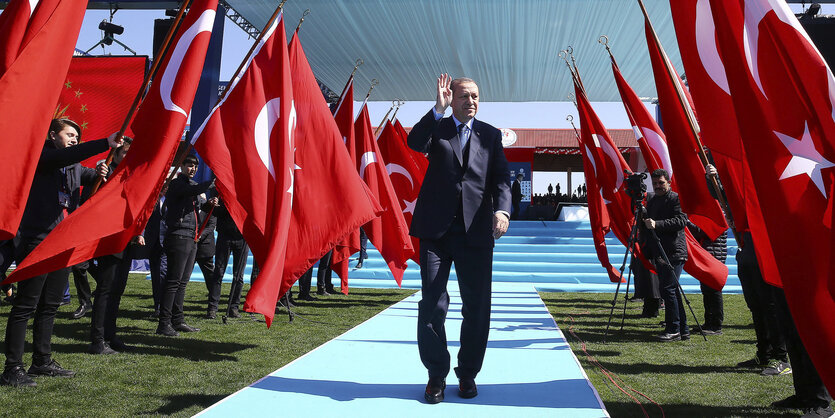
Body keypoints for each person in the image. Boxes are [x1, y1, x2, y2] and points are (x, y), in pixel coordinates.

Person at [407, 74, 511, 404]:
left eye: (476, 96)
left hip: (476, 232)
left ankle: (467, 374)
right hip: (436, 232)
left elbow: (502, 180)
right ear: (451, 98)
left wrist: (503, 211)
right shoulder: (437, 128)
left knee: (477, 307)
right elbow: (413, 142)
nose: (471, 101)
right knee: (433, 304)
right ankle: (436, 374)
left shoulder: (491, 135)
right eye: (464, 96)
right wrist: (436, 111)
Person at [1, 119, 121, 387]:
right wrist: (104, 143)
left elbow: (97, 178)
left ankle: (41, 360)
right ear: (53, 135)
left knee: (50, 305)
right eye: (70, 134)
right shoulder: (42, 156)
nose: (75, 139)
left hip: (62, 241)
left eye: (78, 135)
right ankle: (13, 368)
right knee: (25, 305)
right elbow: (67, 155)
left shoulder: (73, 167)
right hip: (36, 240)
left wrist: (106, 170)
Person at [157, 154, 214, 337]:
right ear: (181, 166)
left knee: (182, 282)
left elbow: (195, 211)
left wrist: (208, 205)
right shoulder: (177, 184)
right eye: (189, 165)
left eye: (195, 166)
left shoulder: (191, 187)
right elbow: (188, 193)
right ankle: (164, 323)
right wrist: (211, 182)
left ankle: (178, 320)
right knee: (173, 282)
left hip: (191, 236)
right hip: (179, 235)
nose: (193, 168)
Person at [640, 169, 688, 342]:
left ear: (669, 182)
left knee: (667, 289)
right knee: (671, 289)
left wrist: (656, 224)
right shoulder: (653, 200)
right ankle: (682, 329)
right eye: (655, 184)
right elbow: (647, 222)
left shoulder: (676, 198)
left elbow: (681, 221)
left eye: (661, 183)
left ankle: (673, 328)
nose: (658, 186)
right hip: (660, 251)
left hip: (674, 251)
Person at [206, 198, 249, 319]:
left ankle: (234, 307)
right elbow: (215, 212)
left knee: (239, 276)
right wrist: (229, 205)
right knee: (218, 272)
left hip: (242, 237)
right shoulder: (224, 193)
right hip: (225, 236)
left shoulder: (247, 195)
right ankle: (212, 308)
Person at [686, 220, 726, 335]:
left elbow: (702, 231)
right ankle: (709, 322)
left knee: (713, 291)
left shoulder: (717, 216)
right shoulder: (715, 215)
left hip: (713, 255)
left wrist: (686, 222)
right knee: (707, 290)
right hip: (710, 253)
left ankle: (716, 325)